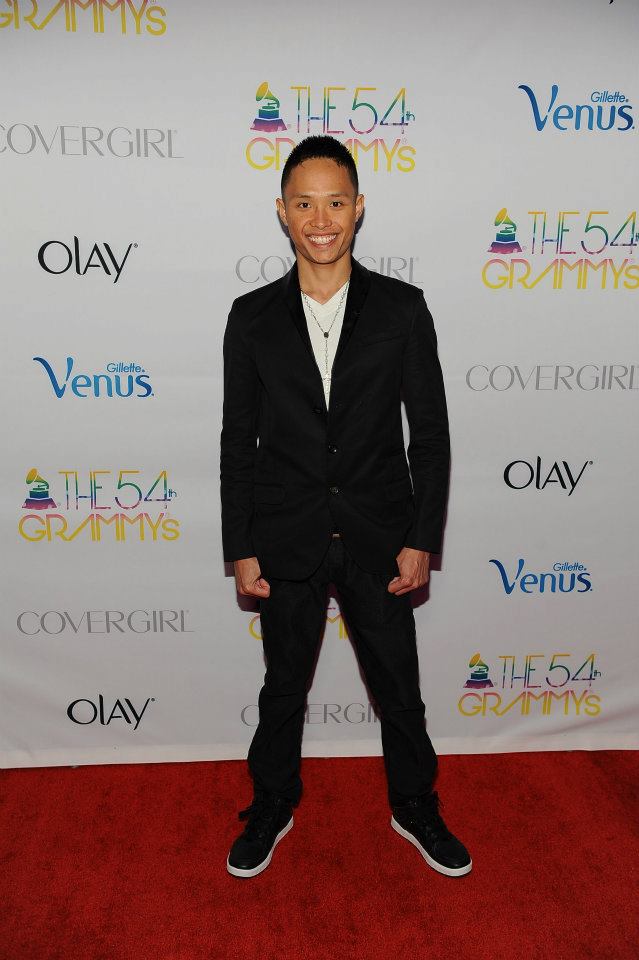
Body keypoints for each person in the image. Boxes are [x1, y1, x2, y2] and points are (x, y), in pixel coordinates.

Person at [220, 134, 471, 879]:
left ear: (358, 209)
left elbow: (428, 436)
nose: (319, 218)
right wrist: (240, 545)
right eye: (304, 203)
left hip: (379, 535)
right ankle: (271, 802)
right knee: (282, 691)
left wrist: (422, 536)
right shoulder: (251, 317)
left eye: (334, 202)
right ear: (281, 212)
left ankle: (414, 805)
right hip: (285, 534)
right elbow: (238, 441)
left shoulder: (402, 309)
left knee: (399, 689)